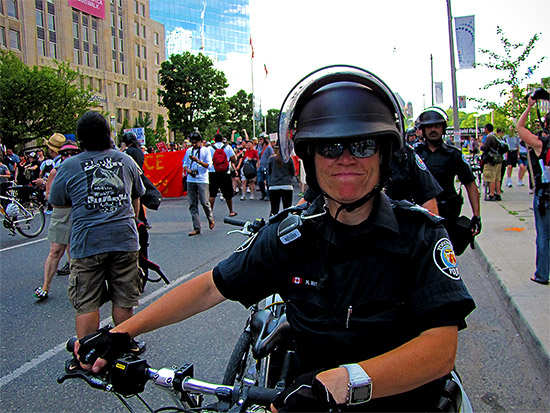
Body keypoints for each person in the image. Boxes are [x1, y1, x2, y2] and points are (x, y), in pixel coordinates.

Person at [74, 66, 475, 412]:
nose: (346, 158)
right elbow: (210, 288)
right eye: (330, 146)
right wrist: (121, 333)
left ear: (384, 154)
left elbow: (441, 349)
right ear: (310, 159)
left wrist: (342, 382)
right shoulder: (290, 236)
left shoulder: (420, 234)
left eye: (363, 144)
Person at [49, 111, 146, 358]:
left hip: (87, 242)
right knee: (123, 297)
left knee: (87, 301)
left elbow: (60, 204)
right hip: (124, 239)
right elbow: (136, 199)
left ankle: (88, 355)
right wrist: (131, 222)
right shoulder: (126, 161)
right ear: (108, 135)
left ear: (80, 139)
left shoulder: (68, 166)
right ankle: (125, 346)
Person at [415, 107, 481, 243]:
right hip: (420, 214)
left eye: (437, 126)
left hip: (447, 214)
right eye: (429, 126)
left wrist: (477, 215)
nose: (433, 130)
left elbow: (470, 184)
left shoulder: (454, 155)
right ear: (423, 130)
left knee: (446, 257)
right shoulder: (414, 155)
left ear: (443, 129)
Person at [33, 140, 80, 301]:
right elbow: (49, 196)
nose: (69, 156)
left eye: (73, 153)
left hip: (79, 212)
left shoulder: (81, 169)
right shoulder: (56, 171)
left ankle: (77, 287)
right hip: (61, 212)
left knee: (74, 252)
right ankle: (46, 286)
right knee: (55, 251)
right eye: (65, 153)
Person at [516, 96, 549, 285]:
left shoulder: (541, 143)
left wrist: (529, 107)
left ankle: (542, 274)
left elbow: (520, 129)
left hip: (545, 194)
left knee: (544, 235)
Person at [182, 131, 214, 236]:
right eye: (192, 142)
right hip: (191, 180)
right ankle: (196, 227)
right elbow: (185, 163)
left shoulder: (206, 151)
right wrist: (187, 170)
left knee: (204, 202)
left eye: (196, 142)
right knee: (192, 204)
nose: (194, 144)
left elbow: (208, 166)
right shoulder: (188, 151)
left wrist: (197, 161)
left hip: (202, 180)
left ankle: (210, 218)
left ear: (200, 142)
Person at [208, 133, 238, 217]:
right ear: (222, 139)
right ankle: (231, 211)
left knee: (212, 193)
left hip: (213, 172)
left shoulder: (210, 148)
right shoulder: (228, 148)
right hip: (225, 172)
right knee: (228, 194)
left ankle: (210, 212)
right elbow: (234, 160)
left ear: (214, 139)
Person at [267, 145, 295, 215]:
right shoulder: (289, 159)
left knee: (274, 210)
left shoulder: (271, 159)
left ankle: (272, 224)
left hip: (274, 185)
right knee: (287, 209)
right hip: (286, 185)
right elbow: (293, 172)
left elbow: (269, 172)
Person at [481, 123, 504, 201]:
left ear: (487, 129)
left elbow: (485, 148)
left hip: (491, 161)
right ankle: (498, 194)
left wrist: (481, 145)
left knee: (491, 178)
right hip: (498, 159)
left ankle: (491, 194)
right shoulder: (496, 137)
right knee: (498, 178)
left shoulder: (490, 137)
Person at [256, 133, 274, 201]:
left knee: (268, 181)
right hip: (261, 166)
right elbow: (258, 157)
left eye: (261, 139)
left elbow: (272, 156)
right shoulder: (259, 147)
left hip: (267, 166)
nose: (259, 141)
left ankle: (268, 195)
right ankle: (263, 193)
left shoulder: (269, 147)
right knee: (260, 181)